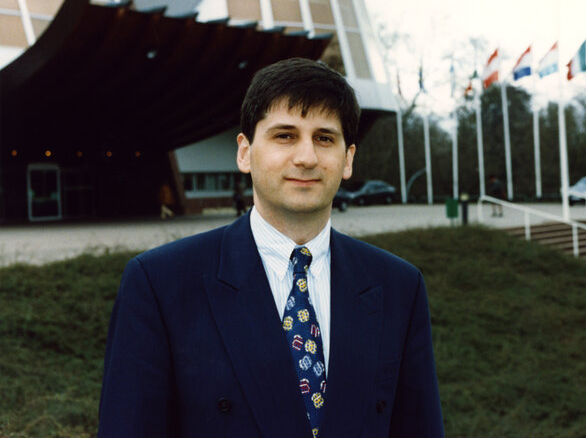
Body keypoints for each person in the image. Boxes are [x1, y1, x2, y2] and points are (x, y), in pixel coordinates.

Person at [98, 58, 444, 438]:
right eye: (285, 135)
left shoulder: (398, 286)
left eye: (324, 138)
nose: (306, 157)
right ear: (244, 152)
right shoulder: (160, 284)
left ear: (347, 160)